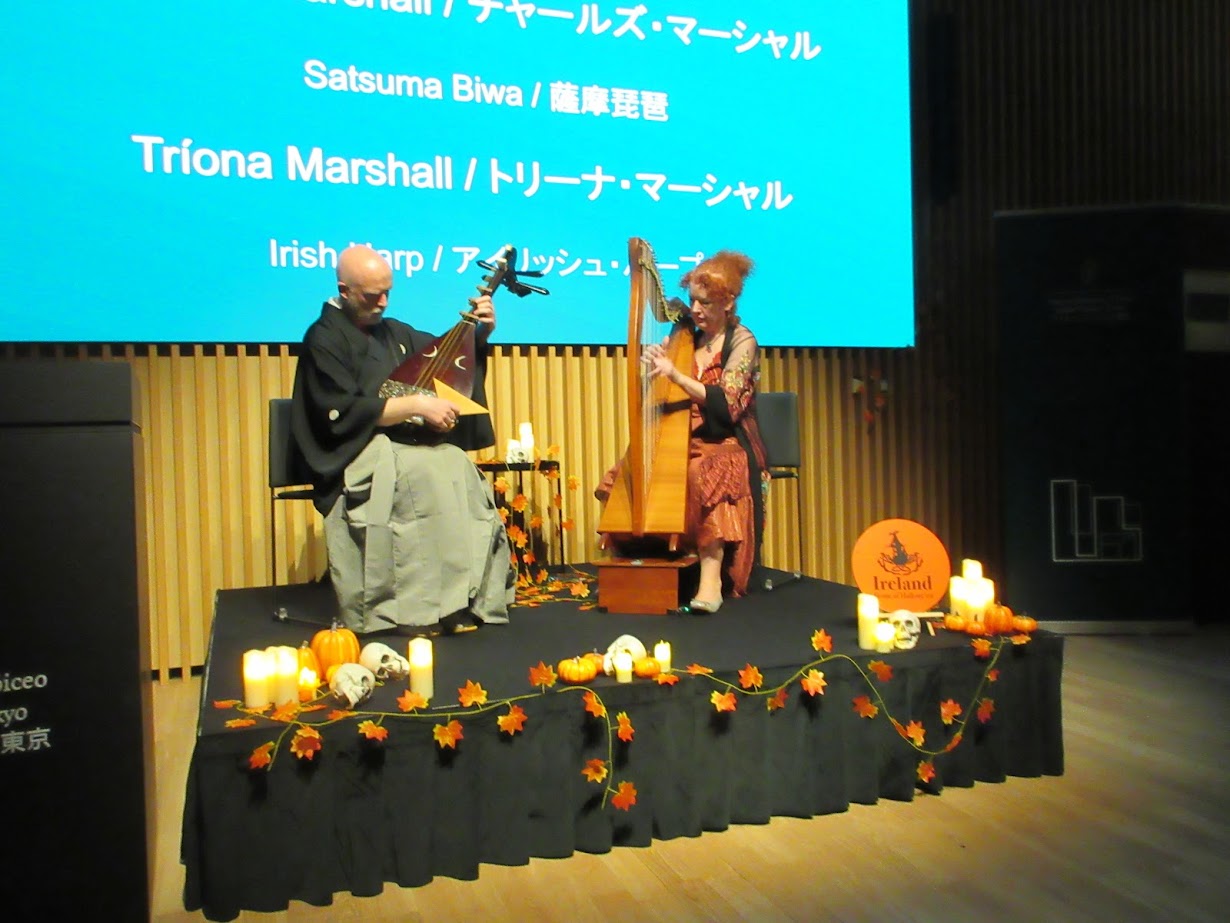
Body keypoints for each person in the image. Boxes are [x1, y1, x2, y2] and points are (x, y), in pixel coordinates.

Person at [290, 244, 513, 635]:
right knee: (420, 473)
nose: (383, 303)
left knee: (455, 463)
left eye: (387, 293)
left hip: (406, 448)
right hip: (357, 451)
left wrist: (480, 333)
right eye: (371, 295)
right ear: (344, 290)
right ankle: (409, 611)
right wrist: (415, 404)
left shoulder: (395, 332)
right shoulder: (324, 338)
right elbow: (337, 411)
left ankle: (463, 599)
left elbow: (446, 362)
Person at [599, 250, 769, 612]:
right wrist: (653, 371)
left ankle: (711, 579)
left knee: (700, 473)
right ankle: (635, 567)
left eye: (705, 302)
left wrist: (676, 374)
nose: (695, 309)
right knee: (625, 472)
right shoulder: (686, 337)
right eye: (692, 300)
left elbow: (727, 405)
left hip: (724, 439)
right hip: (684, 434)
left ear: (728, 302)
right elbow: (663, 394)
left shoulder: (742, 341)